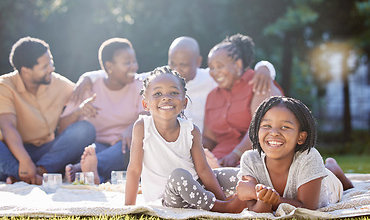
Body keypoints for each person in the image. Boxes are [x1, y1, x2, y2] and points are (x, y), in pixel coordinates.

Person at [71, 36, 276, 133]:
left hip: (202, 141)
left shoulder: (211, 77)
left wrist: (264, 67)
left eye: (183, 65)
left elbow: (233, 72)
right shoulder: (163, 78)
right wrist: (88, 77)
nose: (176, 69)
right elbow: (128, 74)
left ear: (197, 63)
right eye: (172, 63)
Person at [124, 66, 245, 212]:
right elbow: (134, 169)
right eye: (157, 93)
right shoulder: (142, 127)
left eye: (174, 93)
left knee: (238, 175)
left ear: (184, 102)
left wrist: (221, 196)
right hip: (168, 198)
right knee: (179, 175)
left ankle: (254, 201)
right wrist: (128, 208)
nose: (166, 97)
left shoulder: (191, 130)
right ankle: (221, 207)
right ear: (146, 104)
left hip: (198, 188)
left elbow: (204, 169)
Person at [0, 36, 96, 185]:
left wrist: (86, 80)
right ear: (26, 71)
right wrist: (24, 160)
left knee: (85, 129)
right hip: (14, 152)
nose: (51, 68)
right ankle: (24, 173)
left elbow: (86, 93)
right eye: (45, 66)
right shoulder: (4, 86)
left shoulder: (57, 82)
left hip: (47, 152)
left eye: (50, 61)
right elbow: (8, 126)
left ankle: (36, 173)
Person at [236, 96, 354, 213]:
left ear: (300, 137)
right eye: (267, 126)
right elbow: (253, 208)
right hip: (310, 174)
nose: (274, 133)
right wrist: (260, 198)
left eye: (285, 127)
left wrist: (258, 195)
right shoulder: (250, 159)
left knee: (329, 172)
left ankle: (333, 167)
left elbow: (306, 209)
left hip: (329, 187)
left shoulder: (309, 157)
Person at [62, 38, 145, 184]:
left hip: (124, 147)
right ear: (109, 66)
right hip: (97, 146)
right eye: (127, 62)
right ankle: (93, 173)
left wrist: (132, 128)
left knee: (129, 146)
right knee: (89, 152)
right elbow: (61, 128)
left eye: (134, 61)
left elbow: (148, 117)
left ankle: (86, 170)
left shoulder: (140, 86)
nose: (134, 67)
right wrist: (79, 112)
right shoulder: (88, 87)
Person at [203, 33, 283, 167]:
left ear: (238, 64)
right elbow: (209, 138)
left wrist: (236, 154)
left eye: (220, 66)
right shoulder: (212, 96)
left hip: (256, 155)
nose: (215, 72)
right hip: (220, 158)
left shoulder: (259, 82)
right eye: (211, 68)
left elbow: (263, 126)